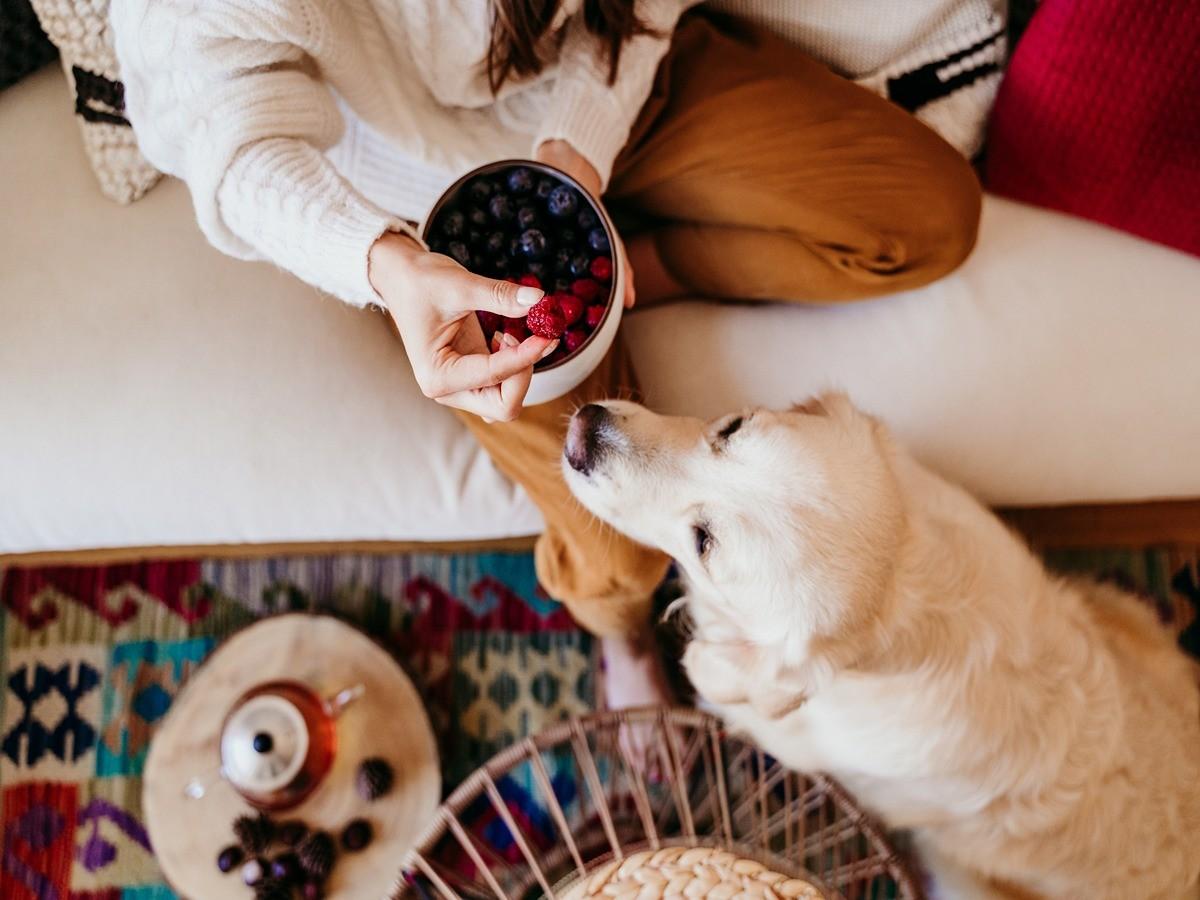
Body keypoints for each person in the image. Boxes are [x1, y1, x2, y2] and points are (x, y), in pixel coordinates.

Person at [111, 0, 982, 710]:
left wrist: (576, 146)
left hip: (609, 79)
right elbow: (218, 122)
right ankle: (617, 631)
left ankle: (640, 267)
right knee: (625, 558)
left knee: (931, 218)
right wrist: (384, 261)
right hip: (422, 224)